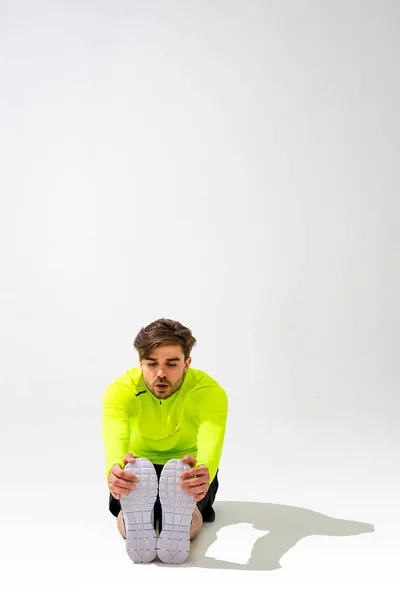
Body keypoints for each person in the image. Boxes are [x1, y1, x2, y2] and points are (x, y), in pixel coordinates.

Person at [102, 318, 228, 564]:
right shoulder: (120, 390)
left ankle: (179, 521)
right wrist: (114, 469)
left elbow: (211, 441)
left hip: (185, 467)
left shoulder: (208, 392)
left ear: (187, 363)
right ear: (140, 363)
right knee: (129, 491)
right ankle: (138, 526)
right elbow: (114, 435)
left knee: (188, 497)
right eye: (152, 364)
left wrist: (205, 470)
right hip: (139, 468)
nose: (161, 373)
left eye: (171, 363)